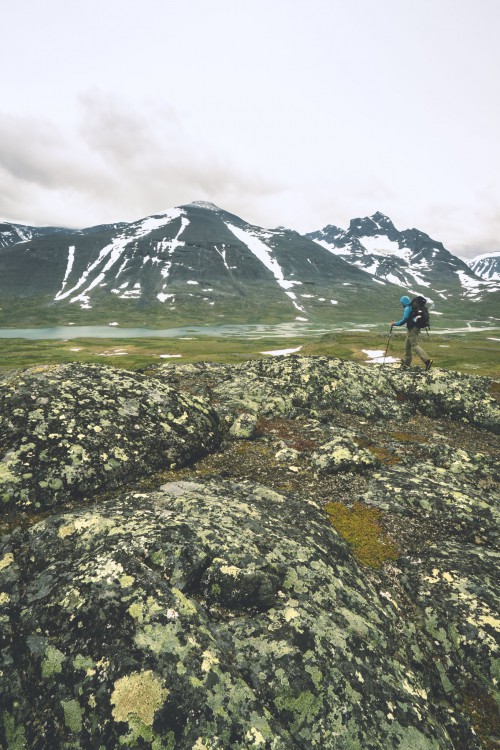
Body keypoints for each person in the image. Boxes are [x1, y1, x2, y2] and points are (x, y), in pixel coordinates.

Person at [391, 295, 433, 370]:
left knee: (415, 345)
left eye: (401, 303)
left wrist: (395, 324)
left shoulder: (408, 308)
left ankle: (427, 361)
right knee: (407, 344)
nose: (401, 304)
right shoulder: (412, 307)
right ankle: (407, 362)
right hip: (414, 328)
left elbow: (405, 319)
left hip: (412, 329)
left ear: (403, 302)